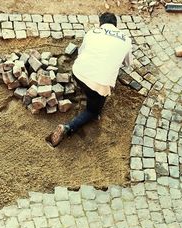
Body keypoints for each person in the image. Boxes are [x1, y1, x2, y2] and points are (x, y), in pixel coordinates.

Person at [48, 12, 133, 147]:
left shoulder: (92, 32)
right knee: (93, 111)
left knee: (87, 86)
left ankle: (85, 91)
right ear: (115, 25)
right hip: (100, 83)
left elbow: (82, 52)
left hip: (78, 73)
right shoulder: (127, 40)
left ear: (101, 24)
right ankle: (67, 127)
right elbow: (127, 64)